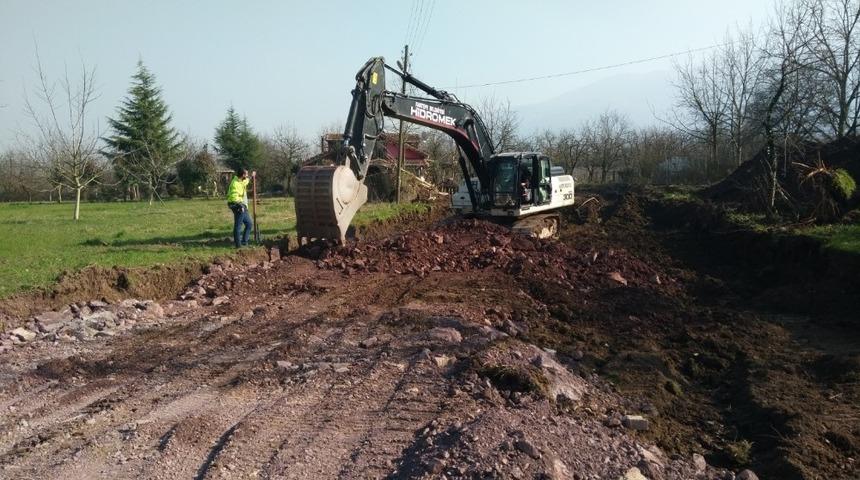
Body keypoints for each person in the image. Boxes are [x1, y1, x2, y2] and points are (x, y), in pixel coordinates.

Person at [226, 168, 255, 248]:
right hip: (236, 205)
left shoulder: (241, 181)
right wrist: (239, 206)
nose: (247, 175)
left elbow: (246, 181)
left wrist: (252, 177)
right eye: (246, 174)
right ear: (243, 175)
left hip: (241, 204)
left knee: (249, 223)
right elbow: (233, 197)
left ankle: (244, 242)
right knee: (238, 226)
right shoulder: (235, 183)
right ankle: (238, 246)